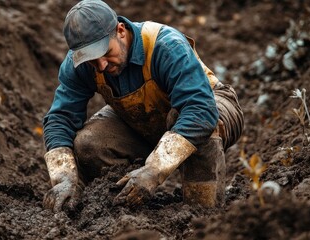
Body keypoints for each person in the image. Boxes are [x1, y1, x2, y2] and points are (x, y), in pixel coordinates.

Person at [42, 0, 244, 212]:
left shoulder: (166, 46)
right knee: (88, 143)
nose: (101, 65)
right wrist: (64, 177)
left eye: (105, 52)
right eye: (92, 60)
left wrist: (154, 171)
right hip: (142, 119)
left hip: (211, 106)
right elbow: (59, 118)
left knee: (192, 121)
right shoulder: (79, 65)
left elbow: (200, 110)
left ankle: (203, 212)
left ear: (120, 30)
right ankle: (125, 200)